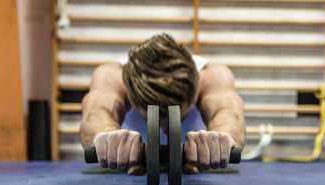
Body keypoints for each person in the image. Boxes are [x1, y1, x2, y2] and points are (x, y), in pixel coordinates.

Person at [80, 33, 245, 175]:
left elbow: (228, 113)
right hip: (123, 169)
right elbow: (96, 112)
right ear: (132, 97)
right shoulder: (112, 76)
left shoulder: (212, 76)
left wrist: (222, 138)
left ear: (194, 93)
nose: (165, 131)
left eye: (178, 117)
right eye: (155, 119)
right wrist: (107, 137)